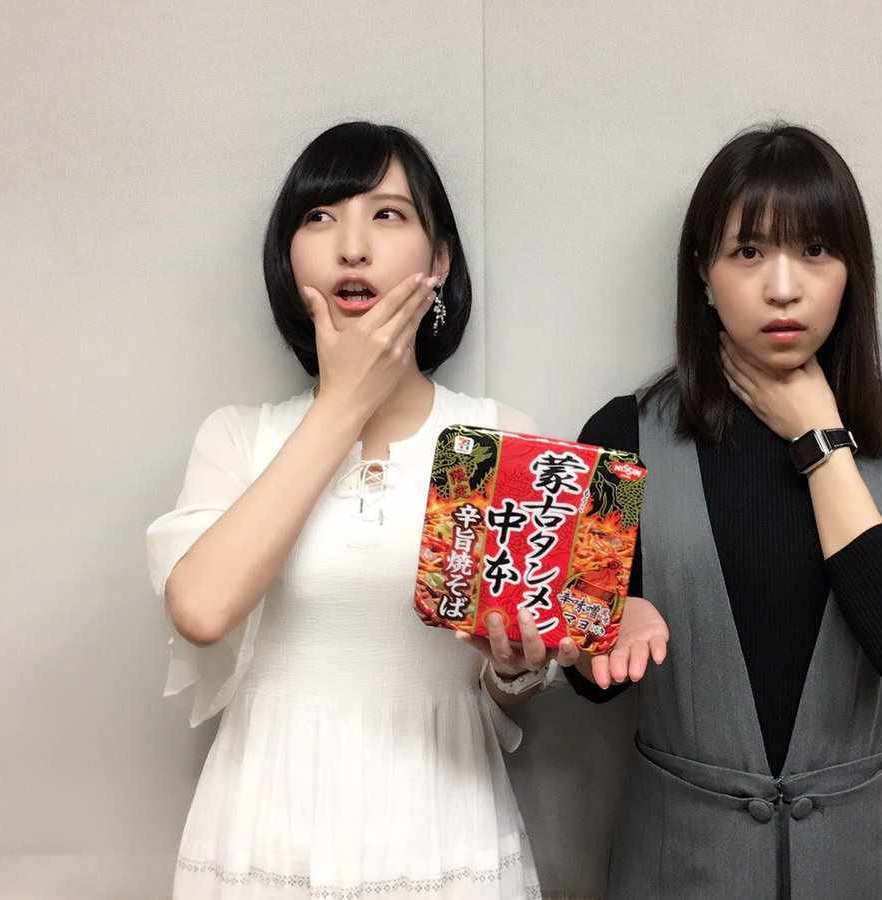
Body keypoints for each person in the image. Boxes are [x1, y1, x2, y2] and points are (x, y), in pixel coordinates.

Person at [145, 121, 665, 899]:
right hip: (266, 826)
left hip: (441, 828)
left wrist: (515, 667)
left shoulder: (499, 438)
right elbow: (201, 609)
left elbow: (522, 669)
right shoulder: (238, 437)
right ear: (288, 258)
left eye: (387, 215)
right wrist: (342, 404)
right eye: (320, 217)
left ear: (439, 260)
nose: (352, 247)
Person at [566, 123, 882, 897]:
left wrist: (821, 443)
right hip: (675, 867)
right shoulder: (623, 435)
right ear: (703, 274)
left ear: (852, 272)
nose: (784, 287)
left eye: (815, 250)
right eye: (748, 252)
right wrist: (592, 636)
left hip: (855, 869)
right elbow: (592, 677)